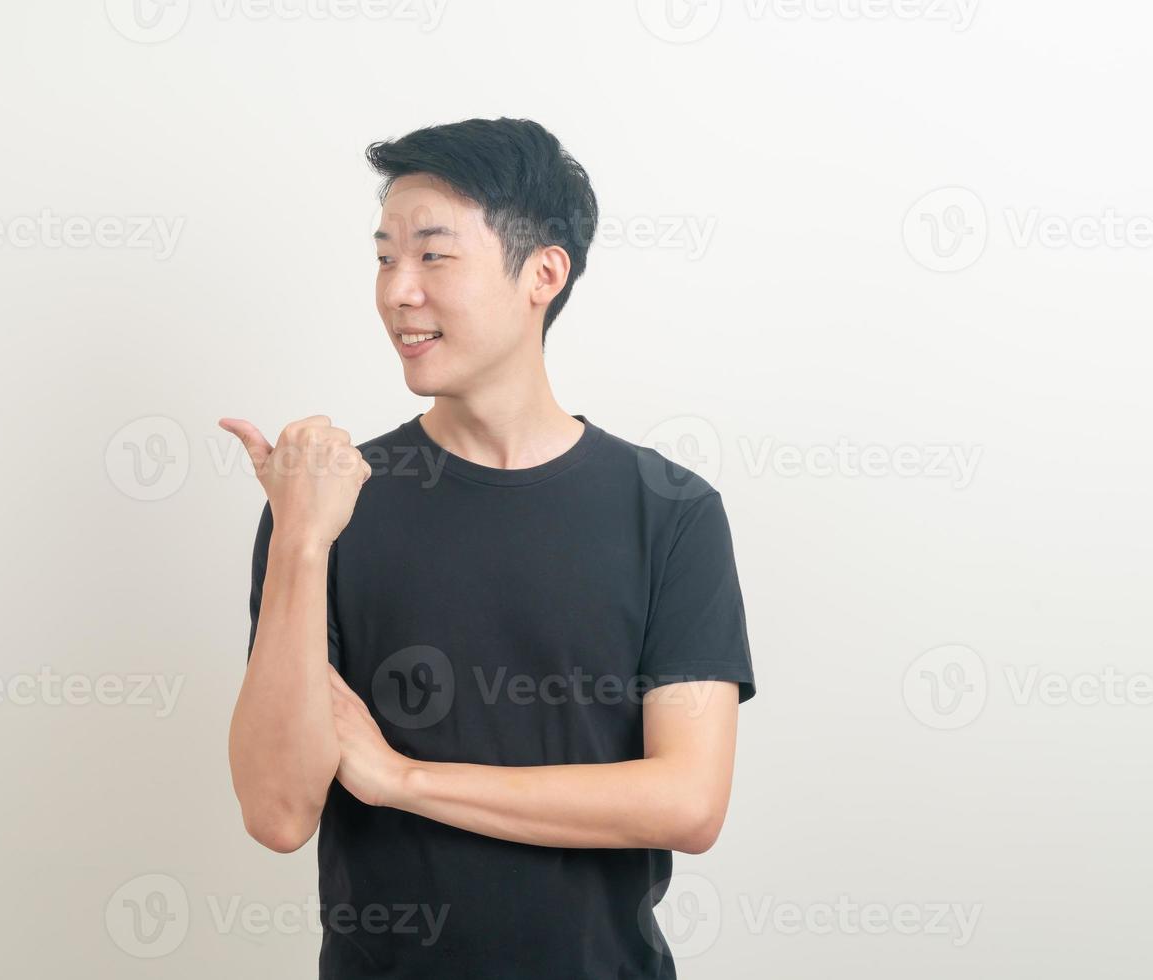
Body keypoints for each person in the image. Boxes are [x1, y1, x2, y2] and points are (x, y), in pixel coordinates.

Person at [219, 116, 756, 979]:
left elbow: (687, 802)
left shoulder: (670, 512)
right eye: (385, 256)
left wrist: (405, 780)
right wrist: (301, 541)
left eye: (433, 256)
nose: (398, 290)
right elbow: (278, 813)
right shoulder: (328, 502)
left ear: (543, 273)